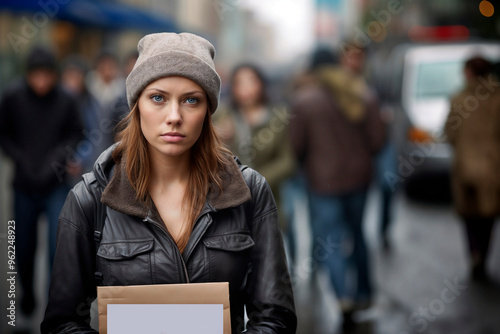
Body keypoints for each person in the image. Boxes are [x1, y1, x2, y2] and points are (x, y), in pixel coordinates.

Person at [41, 32, 296, 334]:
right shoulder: (90, 198)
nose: (174, 116)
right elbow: (63, 322)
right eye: (158, 98)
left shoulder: (248, 192)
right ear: (137, 105)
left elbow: (274, 317)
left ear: (208, 109)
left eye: (191, 100)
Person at [290, 44, 385, 330]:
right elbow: (379, 141)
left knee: (329, 241)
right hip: (359, 179)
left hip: (323, 183)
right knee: (358, 234)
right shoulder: (363, 95)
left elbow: (295, 146)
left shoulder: (304, 101)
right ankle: (365, 294)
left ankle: (343, 296)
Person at [0, 46, 83, 316]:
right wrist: (21, 159)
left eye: (47, 76)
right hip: (23, 185)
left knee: (57, 247)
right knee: (21, 245)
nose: (42, 82)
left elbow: (76, 134)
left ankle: (55, 301)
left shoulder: (67, 100)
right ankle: (23, 294)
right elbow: (4, 135)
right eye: (36, 76)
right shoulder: (12, 97)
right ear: (28, 75)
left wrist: (57, 161)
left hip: (55, 186)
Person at [215, 64, 296, 257]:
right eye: (239, 83)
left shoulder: (277, 117)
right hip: (231, 204)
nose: (246, 88)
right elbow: (210, 159)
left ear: (261, 84)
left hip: (269, 199)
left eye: (251, 81)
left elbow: (288, 161)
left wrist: (256, 180)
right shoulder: (223, 116)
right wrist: (220, 137)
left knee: (275, 257)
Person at [445, 56, 500, 282]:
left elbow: (449, 133)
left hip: (466, 166)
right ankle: (484, 255)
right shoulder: (497, 98)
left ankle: (474, 253)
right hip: (493, 167)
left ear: (469, 73)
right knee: (488, 216)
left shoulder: (459, 100)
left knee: (469, 215)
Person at [61, 56, 102, 180]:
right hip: (55, 166)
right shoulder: (56, 101)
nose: (72, 81)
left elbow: (93, 134)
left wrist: (80, 158)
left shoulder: (89, 103)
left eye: (76, 76)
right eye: (69, 76)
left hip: (82, 168)